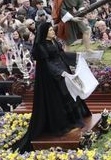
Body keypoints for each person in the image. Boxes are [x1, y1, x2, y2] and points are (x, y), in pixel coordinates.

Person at [12, 21, 90, 151]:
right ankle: (64, 125)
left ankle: (75, 118)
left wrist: (78, 57)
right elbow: (47, 64)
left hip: (63, 71)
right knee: (61, 99)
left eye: (52, 30)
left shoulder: (55, 42)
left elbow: (62, 55)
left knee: (70, 94)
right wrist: (60, 73)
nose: (53, 31)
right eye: (50, 30)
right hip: (52, 77)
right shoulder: (40, 46)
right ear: (44, 33)